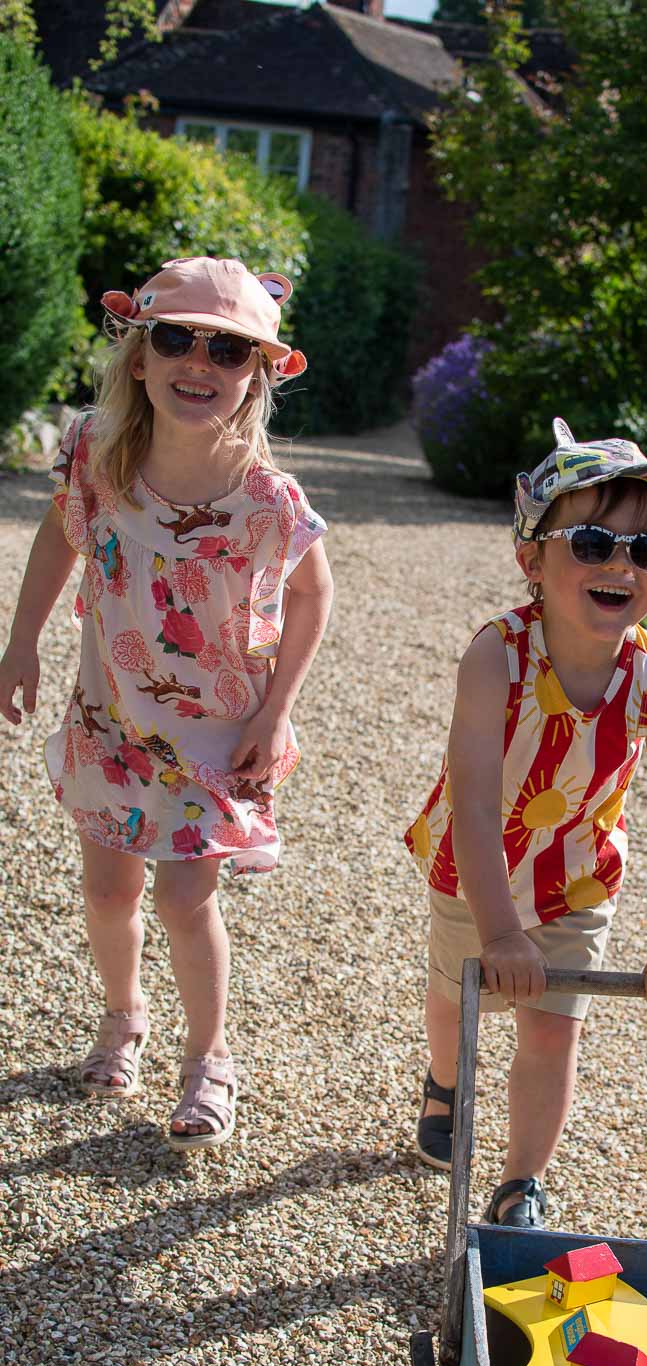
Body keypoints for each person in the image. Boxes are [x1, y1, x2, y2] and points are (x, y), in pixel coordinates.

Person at [0, 257, 333, 1151]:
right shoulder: (99, 455)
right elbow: (57, 540)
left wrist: (277, 711)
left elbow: (312, 596)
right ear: (140, 357)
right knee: (109, 891)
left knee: (187, 897)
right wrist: (22, 640)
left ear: (257, 375)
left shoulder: (265, 497)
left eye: (229, 349)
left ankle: (209, 1058)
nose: (201, 361)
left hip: (217, 734)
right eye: (177, 338)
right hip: (113, 718)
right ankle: (122, 1018)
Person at [404, 417, 647, 1226]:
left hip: (579, 874)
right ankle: (445, 1078)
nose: (620, 564)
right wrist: (501, 929)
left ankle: (519, 1184)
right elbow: (473, 799)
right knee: (456, 996)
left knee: (552, 1033)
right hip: (476, 866)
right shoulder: (496, 657)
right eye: (590, 543)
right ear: (532, 560)